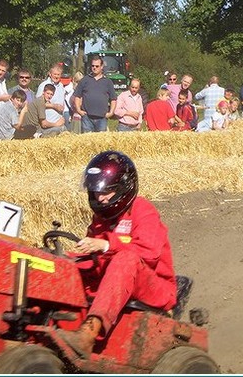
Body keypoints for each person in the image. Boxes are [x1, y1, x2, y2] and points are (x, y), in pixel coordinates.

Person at [56, 151, 177, 359]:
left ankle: (88, 334)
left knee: (126, 259)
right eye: (96, 192)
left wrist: (106, 245)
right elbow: (95, 260)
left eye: (106, 192)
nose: (100, 198)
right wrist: (66, 260)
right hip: (112, 285)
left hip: (155, 288)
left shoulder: (142, 209)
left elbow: (149, 253)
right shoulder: (100, 219)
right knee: (61, 264)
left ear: (123, 187)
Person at [72, 56, 117, 133]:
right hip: (87, 118)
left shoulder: (108, 82)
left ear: (102, 66)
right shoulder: (85, 80)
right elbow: (77, 96)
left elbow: (113, 99)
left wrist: (111, 112)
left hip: (102, 118)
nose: (94, 68)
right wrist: (79, 110)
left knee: (101, 140)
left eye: (97, 66)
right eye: (93, 66)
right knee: (87, 139)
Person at [36, 64, 67, 131]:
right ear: (50, 74)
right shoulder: (43, 85)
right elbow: (38, 104)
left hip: (59, 122)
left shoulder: (61, 86)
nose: (56, 76)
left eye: (58, 74)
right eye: (55, 74)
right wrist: (54, 106)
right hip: (47, 124)